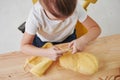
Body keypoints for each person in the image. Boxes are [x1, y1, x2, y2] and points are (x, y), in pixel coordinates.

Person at [20, 0, 101, 61]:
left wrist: (83, 40)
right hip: (43, 42)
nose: (62, 21)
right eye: (56, 18)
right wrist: (46, 53)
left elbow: (96, 29)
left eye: (68, 16)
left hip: (68, 38)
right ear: (44, 7)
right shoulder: (35, 16)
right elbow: (24, 47)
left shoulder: (76, 7)